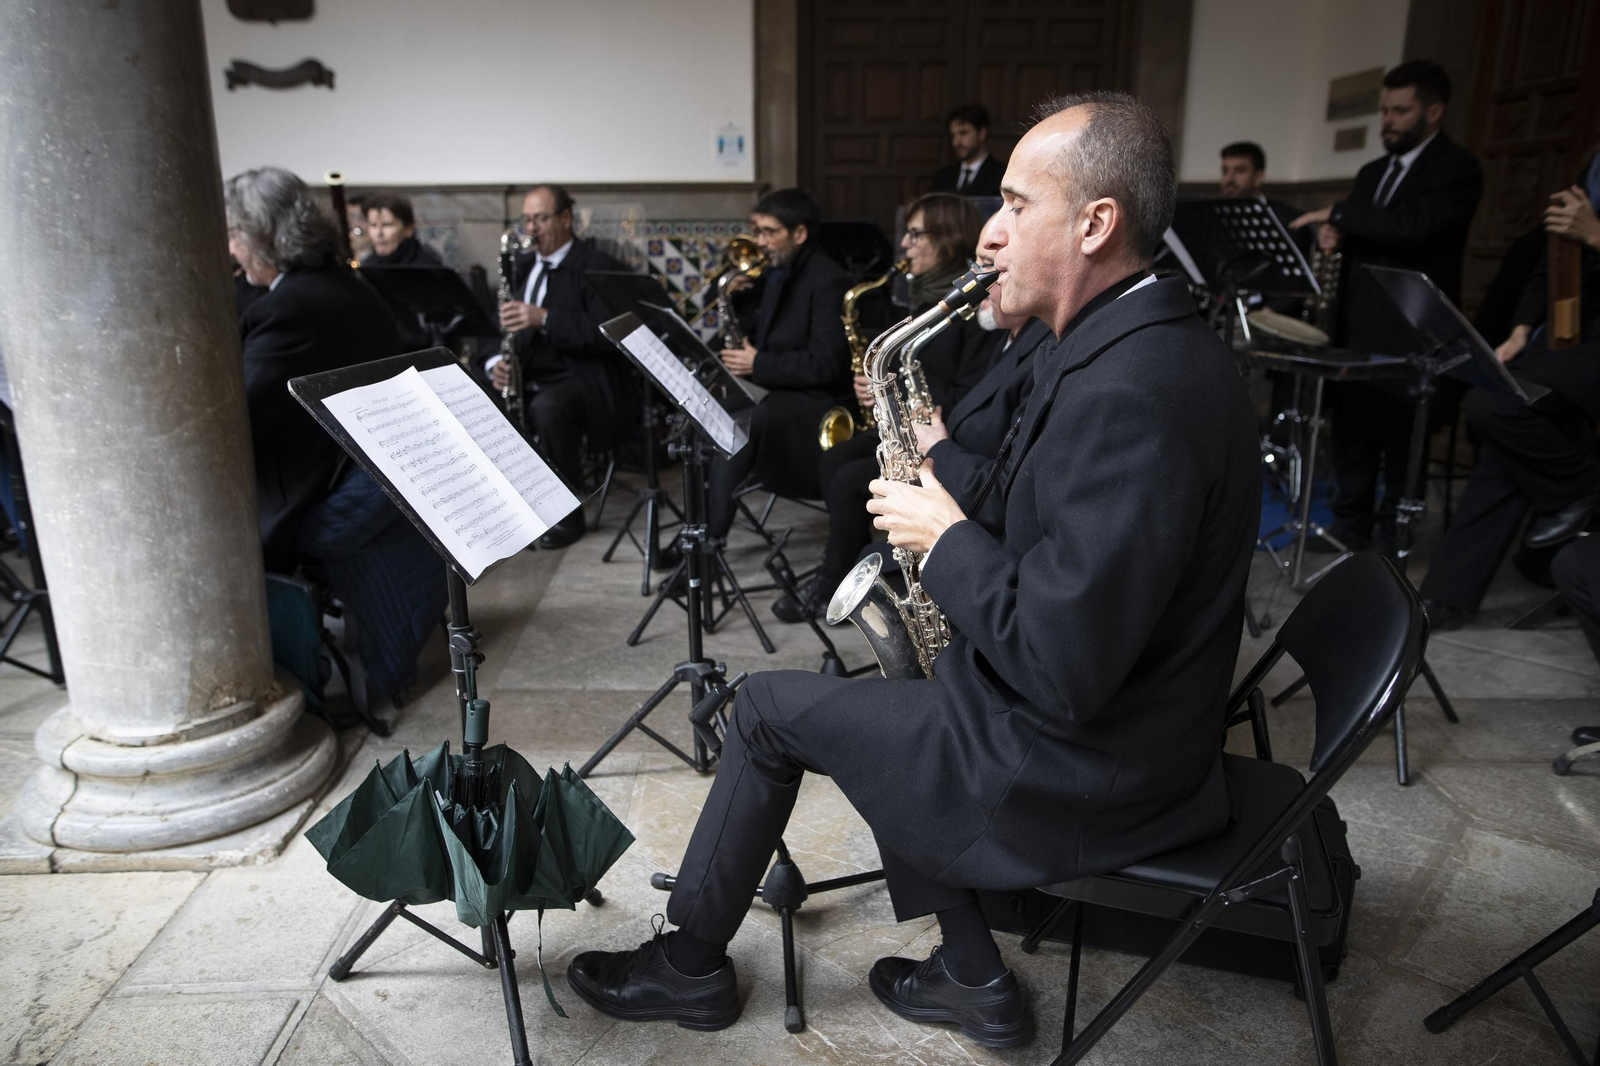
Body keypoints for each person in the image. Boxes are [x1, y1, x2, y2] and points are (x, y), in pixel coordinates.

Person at [563, 92, 1261, 1049]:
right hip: (1109, 733)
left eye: (1017, 206)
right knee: (889, 702)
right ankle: (975, 978)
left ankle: (686, 968)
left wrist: (945, 537)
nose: (991, 235)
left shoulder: (1137, 389)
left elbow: (1065, 664)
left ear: (1097, 224)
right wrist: (946, 474)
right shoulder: (1116, 343)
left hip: (1093, 767)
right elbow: (1040, 504)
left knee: (768, 708)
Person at [226, 167, 445, 710]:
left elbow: (237, 425)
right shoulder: (347, 285)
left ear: (260, 236)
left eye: (233, 234)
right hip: (377, 473)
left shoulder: (288, 308)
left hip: (332, 493)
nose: (229, 249)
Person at [774, 207, 1030, 623]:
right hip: (945, 443)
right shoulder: (959, 307)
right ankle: (834, 573)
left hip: (956, 465)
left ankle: (838, 578)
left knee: (849, 480)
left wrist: (934, 437)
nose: (978, 279)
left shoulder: (996, 325)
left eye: (916, 234)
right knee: (837, 462)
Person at [1291, 60, 1483, 553]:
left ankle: (1391, 536)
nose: (1388, 121)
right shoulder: (1371, 172)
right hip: (1361, 322)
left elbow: (1415, 227)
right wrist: (1338, 235)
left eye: (1401, 110)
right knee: (1354, 430)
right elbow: (1366, 233)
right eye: (1385, 110)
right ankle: (1349, 525)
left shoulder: (1457, 170)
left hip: (1413, 329)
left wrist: (1341, 213)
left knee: (1401, 438)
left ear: (1434, 112)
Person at [1418, 159, 1600, 628]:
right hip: (1571, 335)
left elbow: (1584, 235)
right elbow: (1554, 255)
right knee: (1508, 431)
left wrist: (1597, 235)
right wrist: (1521, 329)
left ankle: (1582, 488)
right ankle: (1446, 596)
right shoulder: (1592, 164)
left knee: (1495, 403)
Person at [483, 185, 630, 549]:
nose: (532, 228)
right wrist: (494, 363)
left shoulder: (598, 265)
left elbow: (606, 334)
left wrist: (544, 318)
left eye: (541, 218)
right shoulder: (520, 265)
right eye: (527, 219)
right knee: (477, 398)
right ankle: (501, 510)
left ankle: (566, 516)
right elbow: (492, 325)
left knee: (549, 409)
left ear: (566, 218)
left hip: (578, 375)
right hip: (527, 369)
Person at [704, 188, 851, 543]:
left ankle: (711, 538)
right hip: (777, 390)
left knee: (741, 421)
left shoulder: (828, 280)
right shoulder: (773, 271)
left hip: (815, 402)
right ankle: (698, 529)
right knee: (707, 407)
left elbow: (826, 365)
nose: (760, 241)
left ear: (799, 234)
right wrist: (738, 295)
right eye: (757, 230)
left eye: (769, 232)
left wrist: (758, 362)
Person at [932, 104, 1004, 198]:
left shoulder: (1001, 175)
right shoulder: (943, 176)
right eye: (953, 136)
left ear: (982, 133)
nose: (956, 143)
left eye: (963, 133)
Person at [359, 193, 443, 266]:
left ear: (408, 229)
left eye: (387, 225)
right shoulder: (367, 266)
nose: (379, 233)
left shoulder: (428, 267)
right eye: (373, 225)